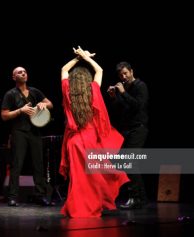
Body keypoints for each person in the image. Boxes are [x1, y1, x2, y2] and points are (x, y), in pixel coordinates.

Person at [59, 47, 129, 218]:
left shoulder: (67, 89)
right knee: (94, 176)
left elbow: (63, 70)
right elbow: (99, 70)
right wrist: (86, 57)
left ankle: (77, 207)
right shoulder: (94, 89)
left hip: (74, 141)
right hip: (91, 139)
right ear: (87, 79)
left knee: (79, 179)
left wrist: (77, 58)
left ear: (73, 80)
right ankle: (93, 204)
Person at [1, 66, 53, 206]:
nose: (23, 73)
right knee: (16, 164)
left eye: (24, 71)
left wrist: (43, 104)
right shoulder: (10, 94)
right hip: (19, 132)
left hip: (35, 132)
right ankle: (13, 196)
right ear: (14, 77)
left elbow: (50, 104)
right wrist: (20, 110)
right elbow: (4, 115)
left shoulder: (35, 91)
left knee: (38, 164)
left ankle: (40, 194)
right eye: (19, 72)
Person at [107, 61, 149, 209]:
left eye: (125, 73)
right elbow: (119, 109)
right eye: (121, 75)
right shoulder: (125, 88)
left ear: (131, 71)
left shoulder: (140, 86)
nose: (123, 76)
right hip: (128, 130)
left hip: (138, 129)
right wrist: (114, 97)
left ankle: (136, 197)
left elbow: (138, 105)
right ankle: (139, 197)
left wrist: (123, 93)